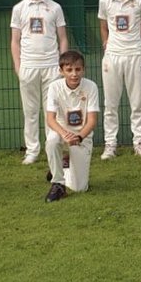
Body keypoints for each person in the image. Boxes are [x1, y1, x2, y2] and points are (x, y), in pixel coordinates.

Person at [10, 0, 68, 165]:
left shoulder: (55, 8)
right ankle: (32, 150)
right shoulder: (19, 9)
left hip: (52, 67)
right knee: (30, 111)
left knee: (52, 110)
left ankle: (53, 146)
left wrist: (62, 66)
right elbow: (15, 41)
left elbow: (62, 38)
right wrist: (18, 67)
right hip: (28, 67)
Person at [98, 0, 141, 159]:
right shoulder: (105, 0)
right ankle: (110, 145)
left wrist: (130, 40)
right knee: (110, 104)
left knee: (137, 103)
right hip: (112, 57)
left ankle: (138, 143)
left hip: (135, 55)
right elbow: (103, 25)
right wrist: (107, 42)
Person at [43, 50, 100, 202]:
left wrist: (80, 136)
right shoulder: (54, 87)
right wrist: (64, 134)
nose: (74, 74)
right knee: (52, 141)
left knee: (80, 188)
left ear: (83, 70)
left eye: (78, 69)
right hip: (62, 132)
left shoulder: (91, 87)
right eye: (69, 70)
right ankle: (58, 184)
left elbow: (92, 120)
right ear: (61, 71)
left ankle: (62, 164)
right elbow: (50, 119)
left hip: (82, 135)